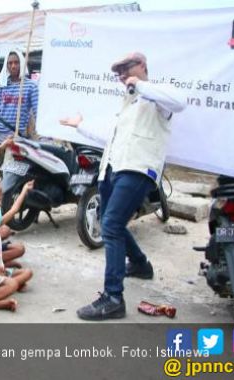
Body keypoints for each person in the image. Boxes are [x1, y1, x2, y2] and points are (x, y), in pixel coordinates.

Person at [61, 52, 187, 320]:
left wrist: (138, 84)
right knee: (110, 221)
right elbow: (110, 136)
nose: (121, 75)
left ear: (142, 66)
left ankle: (113, 297)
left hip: (138, 169)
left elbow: (180, 103)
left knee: (112, 226)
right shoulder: (127, 103)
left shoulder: (157, 98)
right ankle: (141, 265)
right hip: (113, 168)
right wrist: (80, 126)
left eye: (125, 69)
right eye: (118, 72)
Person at [0, 49, 39, 175]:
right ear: (6, 65)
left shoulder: (31, 86)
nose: (13, 66)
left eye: (16, 62)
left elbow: (37, 112)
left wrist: (42, 134)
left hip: (16, 138)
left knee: (10, 175)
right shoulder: (1, 85)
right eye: (10, 63)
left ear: (21, 64)